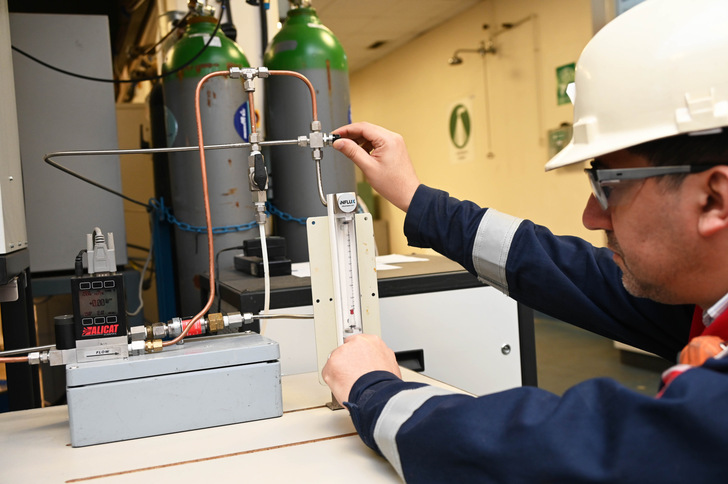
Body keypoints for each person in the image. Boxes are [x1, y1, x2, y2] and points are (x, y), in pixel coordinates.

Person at [321, 0, 728, 482]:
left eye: (609, 186)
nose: (591, 216)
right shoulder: (706, 300)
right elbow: (567, 272)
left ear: (713, 199)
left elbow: (574, 452)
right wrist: (415, 198)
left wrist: (373, 389)